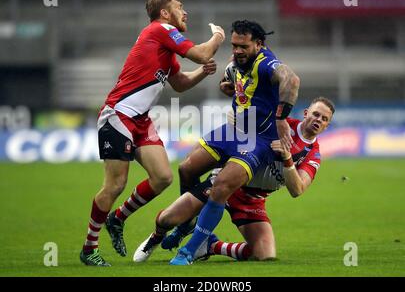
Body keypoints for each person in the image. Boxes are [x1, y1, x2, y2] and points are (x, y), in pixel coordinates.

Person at [79, 0, 226, 266]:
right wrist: (218, 36)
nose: (186, 12)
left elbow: (180, 83)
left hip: (141, 120)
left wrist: (201, 73)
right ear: (165, 13)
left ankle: (118, 218)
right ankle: (89, 249)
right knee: (115, 185)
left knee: (162, 177)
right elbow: (201, 52)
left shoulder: (164, 46)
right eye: (180, 7)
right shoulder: (161, 29)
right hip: (118, 114)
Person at [133, 97, 335, 262]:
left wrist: (287, 158)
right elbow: (247, 119)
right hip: (226, 181)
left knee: (264, 254)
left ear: (327, 125)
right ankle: (157, 236)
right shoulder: (280, 124)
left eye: (324, 119)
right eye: (316, 114)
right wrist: (238, 114)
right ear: (306, 113)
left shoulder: (313, 155)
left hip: (253, 199)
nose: (319, 120)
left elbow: (297, 189)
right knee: (167, 219)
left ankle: (212, 246)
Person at [166, 19, 300, 265]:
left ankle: (191, 250)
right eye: (234, 45)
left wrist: (281, 118)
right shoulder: (239, 61)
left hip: (256, 138)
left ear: (258, 44)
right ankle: (189, 224)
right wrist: (226, 86)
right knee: (186, 168)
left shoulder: (267, 63)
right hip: (234, 129)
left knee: (221, 187)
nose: (237, 50)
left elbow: (291, 81)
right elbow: (232, 76)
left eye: (243, 46)